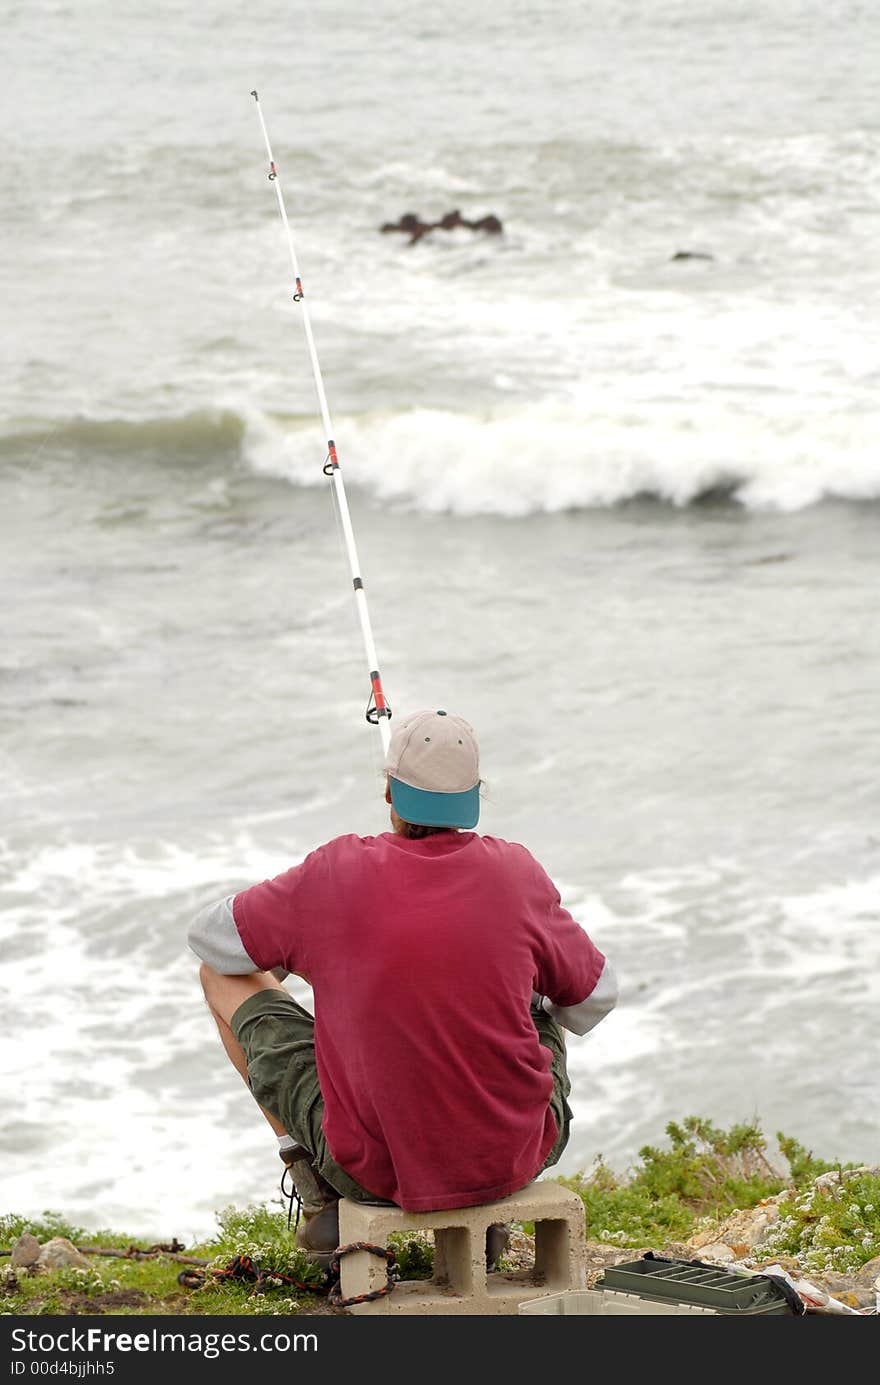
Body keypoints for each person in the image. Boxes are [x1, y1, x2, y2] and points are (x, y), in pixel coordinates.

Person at [188, 708, 618, 1270]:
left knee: (219, 977)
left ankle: (317, 1188)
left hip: (370, 1170)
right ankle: (480, 1221)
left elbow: (210, 941)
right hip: (515, 1156)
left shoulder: (334, 872)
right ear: (474, 797)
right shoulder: (517, 873)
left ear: (389, 792)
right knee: (541, 993)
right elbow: (593, 1000)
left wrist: (323, 960)